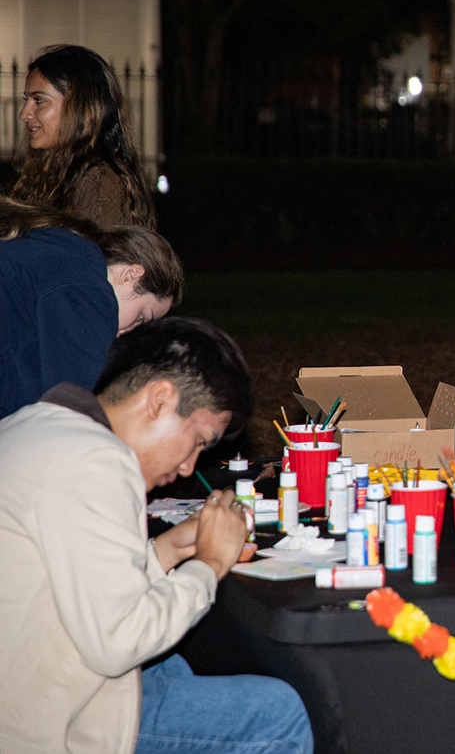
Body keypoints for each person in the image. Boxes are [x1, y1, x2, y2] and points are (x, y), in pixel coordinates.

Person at [0, 317, 313, 753]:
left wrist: (167, 549)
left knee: (174, 670)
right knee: (275, 714)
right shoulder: (97, 461)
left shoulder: (37, 425)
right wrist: (209, 564)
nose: (189, 467)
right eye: (200, 440)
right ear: (160, 399)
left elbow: (78, 584)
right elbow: (120, 641)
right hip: (33, 722)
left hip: (22, 679)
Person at [0, 196, 181, 418]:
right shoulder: (89, 286)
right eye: (142, 317)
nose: (134, 330)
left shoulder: (63, 258)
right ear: (132, 274)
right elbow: (74, 405)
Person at [11, 43, 157, 229]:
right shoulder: (55, 172)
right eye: (27, 100)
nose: (24, 114)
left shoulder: (100, 181)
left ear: (79, 107)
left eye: (39, 100)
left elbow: (91, 256)